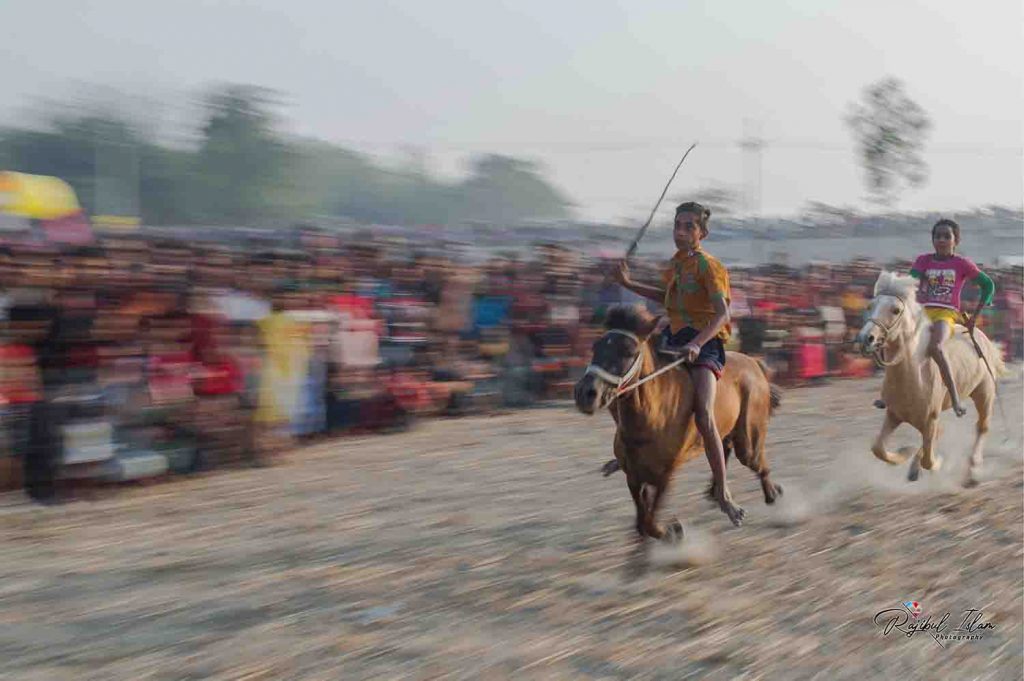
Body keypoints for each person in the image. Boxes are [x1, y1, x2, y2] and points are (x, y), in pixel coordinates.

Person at [611, 201, 744, 526]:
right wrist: (628, 283)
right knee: (624, 385)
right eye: (677, 225)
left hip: (705, 345)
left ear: (702, 233)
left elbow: (723, 313)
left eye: (688, 226)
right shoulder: (675, 265)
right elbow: (666, 297)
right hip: (672, 340)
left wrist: (698, 344)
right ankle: (630, 449)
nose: (680, 232)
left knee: (703, 413)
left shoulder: (709, 267)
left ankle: (723, 490)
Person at [877, 218, 994, 416]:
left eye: (946, 236)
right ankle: (887, 394)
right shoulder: (924, 260)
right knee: (894, 342)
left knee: (935, 347)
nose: (941, 240)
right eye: (937, 236)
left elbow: (987, 285)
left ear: (955, 240)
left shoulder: (962, 264)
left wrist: (975, 315)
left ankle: (955, 398)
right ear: (932, 240)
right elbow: (910, 283)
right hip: (921, 312)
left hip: (945, 314)